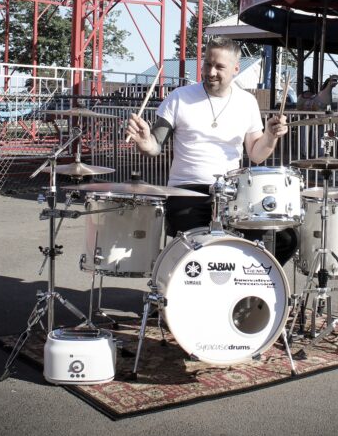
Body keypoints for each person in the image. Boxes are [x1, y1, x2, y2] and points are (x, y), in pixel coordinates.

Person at [125, 36, 296, 265]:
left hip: (232, 194)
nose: (211, 72)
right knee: (197, 255)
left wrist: (270, 136)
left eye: (219, 67)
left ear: (236, 69)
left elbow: (256, 154)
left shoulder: (247, 102)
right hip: (186, 192)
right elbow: (155, 145)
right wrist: (145, 142)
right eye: (207, 64)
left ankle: (252, 283)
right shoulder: (179, 97)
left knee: (284, 239)